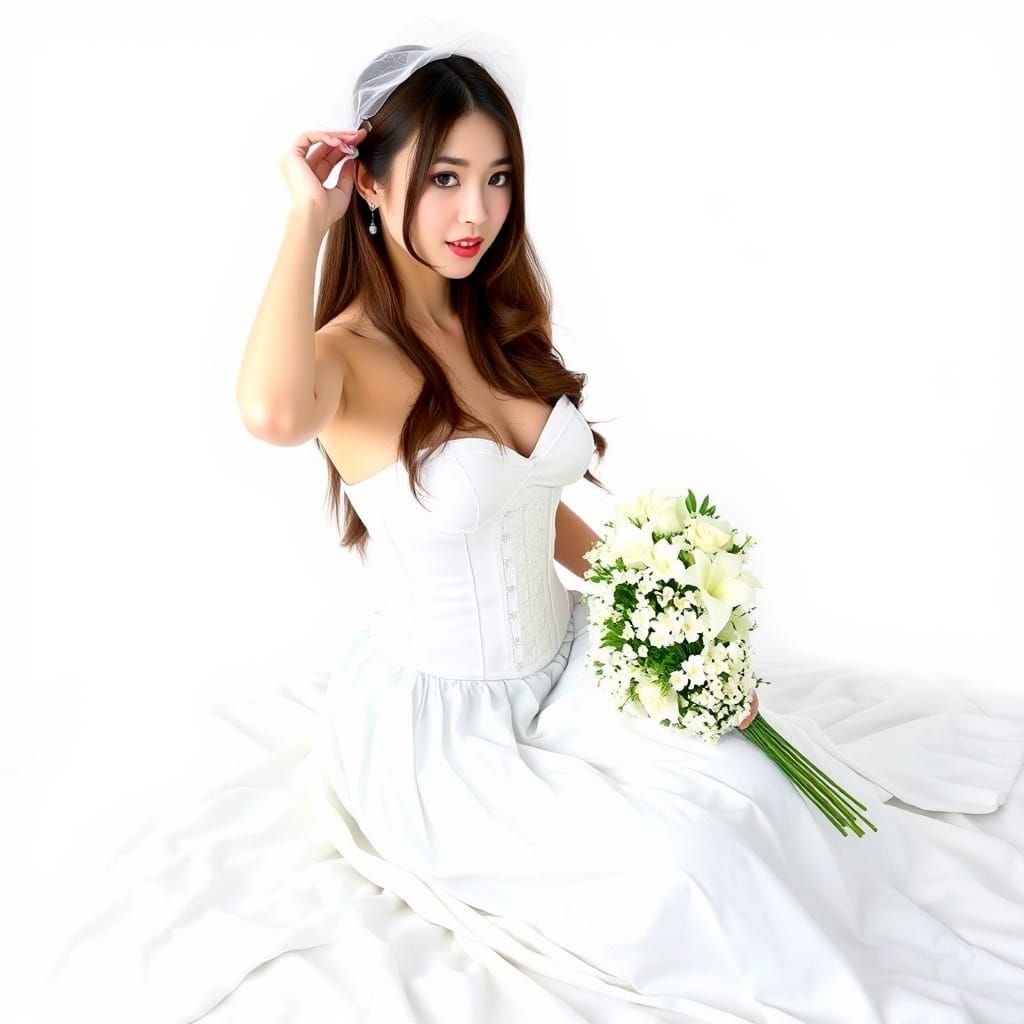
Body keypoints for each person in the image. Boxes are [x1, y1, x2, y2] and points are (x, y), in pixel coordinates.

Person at [45, 37, 1024, 1024]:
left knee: (764, 793)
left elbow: (530, 503)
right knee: (687, 867)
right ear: (372, 187)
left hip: (572, 656)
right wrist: (305, 217)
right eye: (442, 179)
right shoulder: (341, 356)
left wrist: (663, 610)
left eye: (496, 177)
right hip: (450, 731)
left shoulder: (495, 316)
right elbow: (267, 413)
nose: (476, 212)